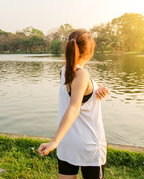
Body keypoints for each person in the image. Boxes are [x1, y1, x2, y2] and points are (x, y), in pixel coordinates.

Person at [38, 29, 109, 179]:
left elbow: (85, 87)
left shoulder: (65, 71)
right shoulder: (82, 75)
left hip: (67, 142)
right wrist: (54, 141)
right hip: (89, 145)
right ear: (90, 52)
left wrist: (99, 88)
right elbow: (74, 107)